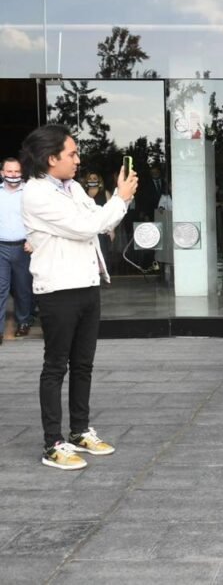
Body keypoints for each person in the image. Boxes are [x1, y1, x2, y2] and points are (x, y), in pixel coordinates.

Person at [20, 124, 138, 470]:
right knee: (56, 366)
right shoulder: (36, 193)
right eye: (71, 153)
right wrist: (121, 198)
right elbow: (88, 225)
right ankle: (53, 443)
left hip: (87, 284)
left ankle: (80, 431)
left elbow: (99, 220)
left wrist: (117, 203)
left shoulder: (72, 187)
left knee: (83, 364)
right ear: (50, 158)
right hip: (58, 289)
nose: (77, 160)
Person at [0, 157, 33, 342]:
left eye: (17, 171)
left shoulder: (29, 193)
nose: (13, 175)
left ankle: (23, 322)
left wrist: (33, 240)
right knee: (1, 289)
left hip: (24, 248)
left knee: (23, 288)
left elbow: (38, 219)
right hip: (1, 247)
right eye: (9, 171)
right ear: (2, 173)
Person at [81, 170, 116, 272]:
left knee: (103, 255)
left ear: (99, 181)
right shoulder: (82, 194)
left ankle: (104, 276)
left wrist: (112, 230)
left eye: (95, 178)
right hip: (86, 229)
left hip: (102, 230)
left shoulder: (105, 193)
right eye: (90, 179)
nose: (92, 180)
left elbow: (112, 213)